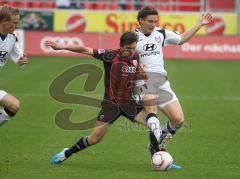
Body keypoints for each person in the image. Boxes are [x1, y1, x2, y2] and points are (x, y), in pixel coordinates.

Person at [45, 31, 151, 164]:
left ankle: (160, 157)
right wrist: (61, 47)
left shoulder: (136, 57)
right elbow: (84, 49)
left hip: (129, 104)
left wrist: (143, 74)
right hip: (110, 106)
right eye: (128, 48)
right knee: (94, 139)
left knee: (154, 125)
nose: (131, 51)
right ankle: (66, 153)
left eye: (133, 47)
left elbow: (139, 77)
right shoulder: (110, 55)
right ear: (121, 46)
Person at [135, 7, 212, 155]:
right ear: (141, 21)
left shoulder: (160, 33)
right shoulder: (131, 37)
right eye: (150, 21)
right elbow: (123, 61)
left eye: (155, 21)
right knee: (152, 112)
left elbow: (181, 39)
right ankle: (158, 149)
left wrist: (199, 24)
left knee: (178, 120)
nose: (153, 24)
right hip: (143, 82)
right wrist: (138, 67)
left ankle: (155, 145)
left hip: (161, 82)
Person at [0, 5, 28, 126]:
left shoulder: (12, 38)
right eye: (14, 22)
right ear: (4, 21)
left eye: (18, 22)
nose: (17, 26)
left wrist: (21, 60)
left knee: (13, 106)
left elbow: (18, 56)